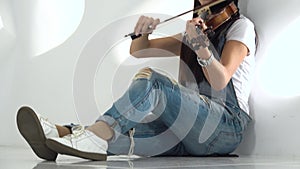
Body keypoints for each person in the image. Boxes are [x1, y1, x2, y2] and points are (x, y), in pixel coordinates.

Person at [16, 0, 256, 161]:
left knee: (154, 81)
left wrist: (201, 47)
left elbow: (220, 80)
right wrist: (143, 32)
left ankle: (97, 135)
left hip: (224, 128)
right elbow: (141, 50)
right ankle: (58, 135)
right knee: (127, 136)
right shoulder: (198, 31)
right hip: (190, 132)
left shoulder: (240, 27)